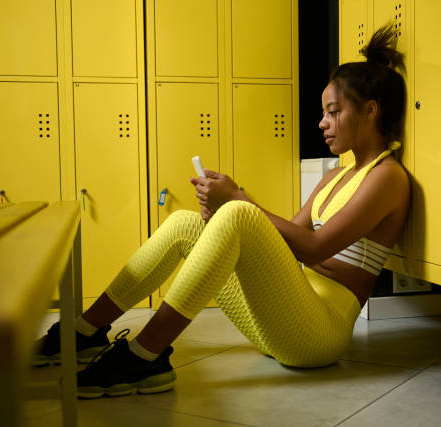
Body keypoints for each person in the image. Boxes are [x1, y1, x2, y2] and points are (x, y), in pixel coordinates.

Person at [32, 23, 410, 399]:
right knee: (185, 223)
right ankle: (84, 333)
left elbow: (313, 248)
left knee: (239, 214)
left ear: (370, 111)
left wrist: (238, 201)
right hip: (284, 319)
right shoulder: (336, 177)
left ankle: (143, 356)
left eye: (333, 112)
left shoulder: (387, 177)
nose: (322, 122)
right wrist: (220, 222)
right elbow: (284, 244)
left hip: (319, 335)